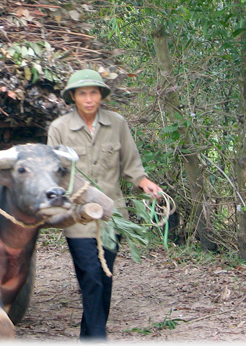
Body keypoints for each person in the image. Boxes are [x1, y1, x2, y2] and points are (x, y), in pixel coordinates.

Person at [47, 69, 162, 341]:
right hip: (78, 216)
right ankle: (99, 338)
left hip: (111, 215)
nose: (89, 99)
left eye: (94, 92)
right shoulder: (59, 128)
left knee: (105, 277)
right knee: (90, 275)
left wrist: (143, 182)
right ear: (73, 97)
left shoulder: (117, 123)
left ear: (101, 96)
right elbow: (52, 173)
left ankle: (88, 337)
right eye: (83, 93)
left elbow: (131, 162)